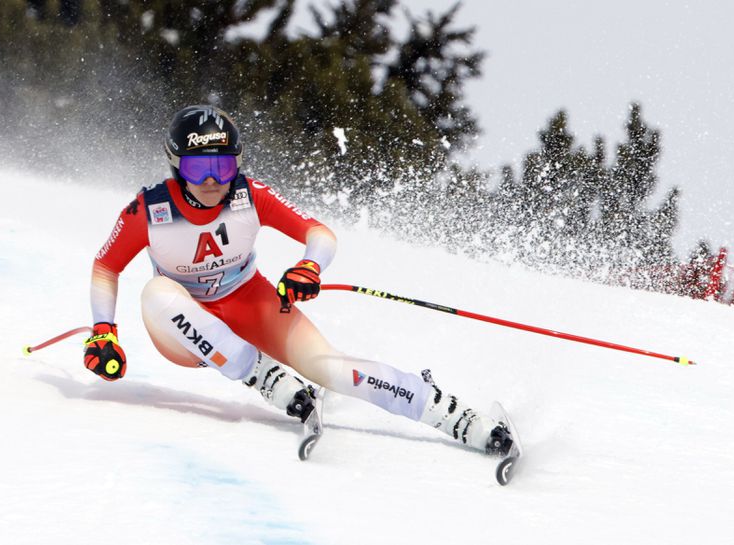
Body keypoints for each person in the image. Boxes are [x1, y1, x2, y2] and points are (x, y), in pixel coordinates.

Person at [85, 105, 514, 458]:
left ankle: (458, 418)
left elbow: (319, 234)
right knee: (156, 292)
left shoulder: (250, 196)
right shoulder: (149, 210)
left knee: (330, 369)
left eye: (224, 166)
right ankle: (265, 377)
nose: (214, 181)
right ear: (177, 166)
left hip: (250, 304)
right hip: (181, 326)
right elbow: (106, 266)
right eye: (199, 169)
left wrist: (309, 266)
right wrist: (103, 330)